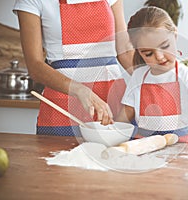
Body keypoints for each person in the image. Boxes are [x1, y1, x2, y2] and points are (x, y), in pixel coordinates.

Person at [13, 0, 134, 136]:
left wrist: (152, 79)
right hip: (63, 104)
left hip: (112, 99)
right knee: (59, 156)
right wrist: (80, 90)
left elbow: (125, 50)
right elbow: (35, 66)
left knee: (119, 156)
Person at [116, 7, 188, 145]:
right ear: (139, 52)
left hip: (179, 143)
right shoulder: (139, 76)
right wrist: (114, 130)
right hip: (144, 142)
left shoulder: (186, 75)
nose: (159, 56)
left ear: (174, 35)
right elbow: (128, 111)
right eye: (148, 53)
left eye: (164, 46)